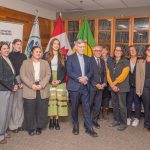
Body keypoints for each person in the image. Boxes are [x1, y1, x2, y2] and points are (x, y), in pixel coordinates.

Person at [67, 39, 98, 137]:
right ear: (76, 47)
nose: (82, 48)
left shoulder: (88, 58)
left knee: (87, 107)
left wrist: (86, 77)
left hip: (85, 86)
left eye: (84, 47)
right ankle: (75, 125)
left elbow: (91, 71)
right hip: (75, 86)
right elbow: (69, 71)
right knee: (74, 107)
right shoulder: (70, 58)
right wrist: (79, 78)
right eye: (80, 46)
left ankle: (89, 128)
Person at [20, 46, 51, 136]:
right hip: (30, 88)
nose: (39, 53)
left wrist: (42, 84)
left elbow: (48, 74)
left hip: (43, 87)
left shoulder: (45, 63)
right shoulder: (25, 62)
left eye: (40, 52)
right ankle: (30, 127)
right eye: (36, 52)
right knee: (29, 109)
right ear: (32, 53)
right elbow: (22, 75)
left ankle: (39, 127)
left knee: (41, 109)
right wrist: (31, 85)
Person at [44, 38, 68, 130]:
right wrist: (50, 80)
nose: (56, 45)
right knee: (51, 101)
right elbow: (44, 70)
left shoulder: (63, 55)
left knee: (59, 100)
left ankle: (57, 120)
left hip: (60, 80)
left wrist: (59, 80)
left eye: (58, 44)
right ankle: (51, 120)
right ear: (51, 44)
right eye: (54, 43)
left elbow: (65, 70)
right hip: (49, 79)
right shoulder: (46, 55)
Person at [107, 46, 130, 131]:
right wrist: (112, 85)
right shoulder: (111, 61)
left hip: (122, 87)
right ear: (114, 51)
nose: (117, 51)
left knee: (122, 105)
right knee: (115, 105)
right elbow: (108, 74)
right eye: (116, 50)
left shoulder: (126, 62)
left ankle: (124, 123)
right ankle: (116, 120)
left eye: (119, 50)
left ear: (122, 52)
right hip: (113, 87)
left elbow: (123, 75)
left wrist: (114, 83)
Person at [0, 41, 18, 144]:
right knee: (2, 113)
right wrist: (11, 86)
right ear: (0, 50)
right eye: (4, 48)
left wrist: (16, 84)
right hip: (3, 90)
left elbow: (13, 74)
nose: (6, 50)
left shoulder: (8, 59)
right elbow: (1, 77)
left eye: (7, 48)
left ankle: (4, 131)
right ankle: (0, 135)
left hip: (10, 89)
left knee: (7, 112)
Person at [9, 39, 27, 133]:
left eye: (20, 45)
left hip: (22, 80)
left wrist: (23, 82)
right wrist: (15, 82)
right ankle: (13, 125)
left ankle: (20, 124)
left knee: (20, 103)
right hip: (12, 81)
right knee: (13, 104)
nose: (19, 46)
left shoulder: (23, 56)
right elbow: (9, 71)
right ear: (13, 45)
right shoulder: (9, 56)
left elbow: (26, 70)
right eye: (17, 44)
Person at [90, 45, 106, 128]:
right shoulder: (89, 60)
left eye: (100, 51)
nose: (98, 52)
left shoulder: (102, 61)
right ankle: (88, 121)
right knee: (89, 104)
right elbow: (87, 74)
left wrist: (104, 83)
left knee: (98, 105)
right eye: (96, 50)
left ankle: (95, 120)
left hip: (101, 87)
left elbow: (105, 74)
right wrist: (96, 84)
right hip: (92, 86)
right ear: (93, 51)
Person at [136, 45, 150, 131]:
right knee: (147, 106)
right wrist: (138, 89)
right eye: (148, 50)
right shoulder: (140, 62)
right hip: (145, 85)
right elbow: (138, 76)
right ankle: (146, 125)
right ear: (146, 51)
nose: (149, 51)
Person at [126, 46, 141, 127]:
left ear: (136, 51)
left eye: (133, 50)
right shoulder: (126, 61)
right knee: (128, 102)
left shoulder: (141, 61)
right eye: (130, 50)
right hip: (128, 85)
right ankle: (128, 117)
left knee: (137, 102)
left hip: (137, 85)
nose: (132, 51)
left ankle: (137, 118)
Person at [101, 46, 112, 120]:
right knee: (99, 96)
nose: (103, 52)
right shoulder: (98, 58)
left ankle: (105, 112)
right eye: (102, 51)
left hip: (108, 81)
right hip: (99, 81)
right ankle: (98, 111)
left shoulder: (111, 59)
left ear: (107, 51)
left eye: (105, 51)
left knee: (106, 97)